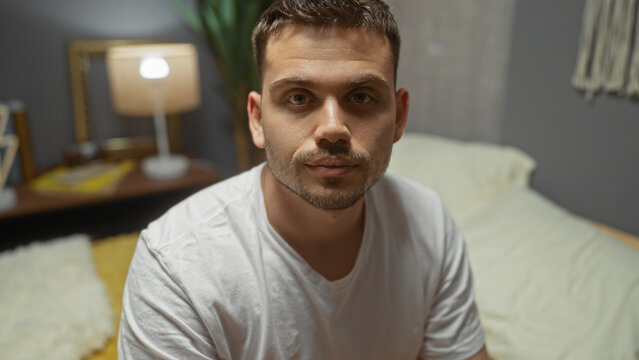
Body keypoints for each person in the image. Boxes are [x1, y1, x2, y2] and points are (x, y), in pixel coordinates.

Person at [118, 0, 488, 359]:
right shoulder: (175, 266)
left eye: (361, 96)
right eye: (298, 98)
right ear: (258, 119)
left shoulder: (429, 225)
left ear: (399, 117)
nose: (332, 129)